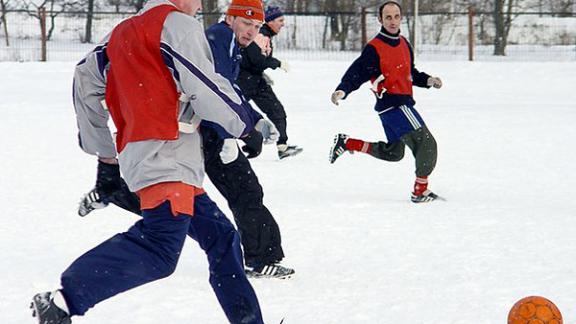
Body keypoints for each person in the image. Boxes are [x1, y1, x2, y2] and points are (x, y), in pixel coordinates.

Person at [31, 0, 265, 323]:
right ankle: (63, 301)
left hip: (148, 157)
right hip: (167, 155)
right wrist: (246, 125)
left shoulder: (120, 33)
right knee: (160, 247)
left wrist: (104, 151)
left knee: (222, 238)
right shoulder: (177, 25)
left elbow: (84, 79)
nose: (198, 5)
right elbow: (206, 86)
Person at [79, 0, 295, 280]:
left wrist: (253, 121)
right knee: (240, 193)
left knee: (180, 200)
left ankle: (113, 191)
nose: (251, 32)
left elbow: (226, 88)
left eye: (256, 26)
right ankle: (259, 258)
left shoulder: (229, 42)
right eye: (246, 24)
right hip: (205, 131)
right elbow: (209, 89)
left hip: (206, 129)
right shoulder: (217, 38)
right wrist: (236, 131)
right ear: (230, 19)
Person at [328, 1, 444, 203]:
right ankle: (420, 191)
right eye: (388, 17)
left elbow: (410, 73)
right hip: (396, 105)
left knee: (394, 153)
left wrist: (428, 80)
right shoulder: (375, 48)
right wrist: (342, 90)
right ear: (380, 20)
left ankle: (348, 143)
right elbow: (358, 72)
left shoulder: (404, 43)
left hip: (391, 109)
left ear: (401, 18)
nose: (393, 21)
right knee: (427, 144)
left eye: (396, 16)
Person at [237, 5, 303, 160]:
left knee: (277, 111)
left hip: (255, 81)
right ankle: (225, 145)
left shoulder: (265, 35)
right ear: (270, 21)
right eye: (280, 20)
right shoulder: (261, 35)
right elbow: (257, 59)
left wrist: (262, 73)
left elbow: (254, 61)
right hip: (244, 82)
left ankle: (282, 147)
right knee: (236, 114)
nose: (283, 24)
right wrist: (276, 63)